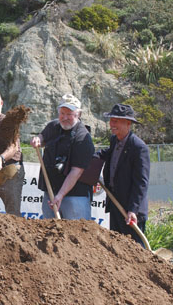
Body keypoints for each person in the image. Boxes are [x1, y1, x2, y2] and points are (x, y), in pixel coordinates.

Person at [30, 94, 94, 220]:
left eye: (69, 114)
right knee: (50, 233)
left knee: (76, 235)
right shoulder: (53, 126)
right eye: (62, 113)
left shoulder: (82, 137)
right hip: (51, 193)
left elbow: (76, 171)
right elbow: (43, 137)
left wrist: (60, 195)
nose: (65, 117)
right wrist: (38, 139)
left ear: (78, 114)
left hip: (74, 196)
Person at [95, 104, 150, 246]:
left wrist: (133, 210)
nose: (112, 124)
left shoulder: (139, 148)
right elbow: (107, 153)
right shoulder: (115, 140)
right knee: (118, 248)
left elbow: (141, 183)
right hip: (115, 203)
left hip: (130, 210)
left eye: (116, 121)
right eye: (111, 120)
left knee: (135, 249)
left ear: (128, 123)